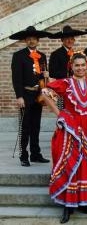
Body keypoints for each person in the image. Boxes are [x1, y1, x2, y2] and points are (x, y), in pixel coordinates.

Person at [41, 52, 87, 223]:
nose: (80, 68)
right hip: (72, 127)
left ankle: (85, 202)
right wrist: (60, 114)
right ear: (71, 66)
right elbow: (45, 91)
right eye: (76, 65)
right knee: (70, 161)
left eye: (82, 65)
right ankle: (68, 205)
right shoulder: (66, 83)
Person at [10, 26, 51, 167]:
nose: (32, 41)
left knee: (36, 126)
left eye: (34, 39)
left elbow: (41, 77)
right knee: (25, 126)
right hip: (25, 94)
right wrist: (19, 96)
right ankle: (23, 155)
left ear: (37, 40)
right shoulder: (18, 55)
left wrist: (45, 75)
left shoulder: (42, 56)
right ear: (26, 40)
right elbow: (16, 78)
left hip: (38, 95)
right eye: (29, 39)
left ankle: (35, 154)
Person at [48, 25, 87, 109]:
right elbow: (52, 72)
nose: (69, 40)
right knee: (62, 113)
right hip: (62, 88)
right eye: (67, 38)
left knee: (75, 111)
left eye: (71, 38)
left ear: (74, 40)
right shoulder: (55, 54)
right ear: (62, 40)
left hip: (76, 88)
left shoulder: (77, 54)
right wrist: (69, 73)